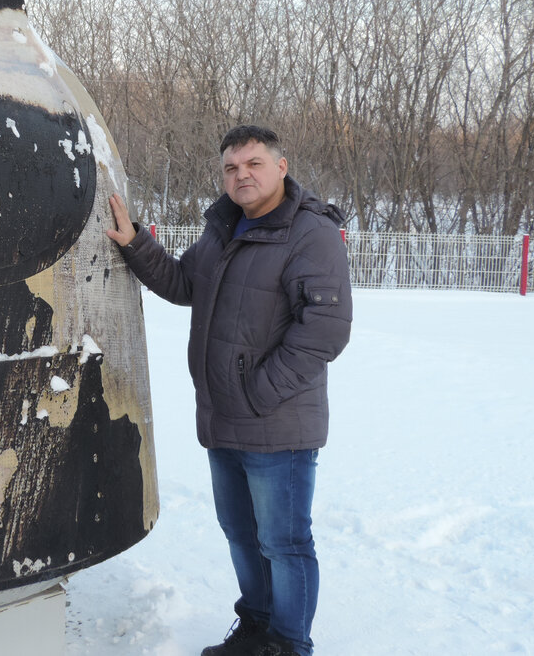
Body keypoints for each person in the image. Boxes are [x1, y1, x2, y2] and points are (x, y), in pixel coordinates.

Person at [106, 125, 352, 656]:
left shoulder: (310, 233)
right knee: (242, 536)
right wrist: (134, 243)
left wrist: (259, 394)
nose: (241, 175)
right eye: (231, 168)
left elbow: (324, 331)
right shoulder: (224, 228)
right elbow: (183, 284)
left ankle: (289, 644)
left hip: (277, 422)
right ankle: (258, 628)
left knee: (284, 544)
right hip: (222, 420)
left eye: (253, 164)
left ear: (281, 167)